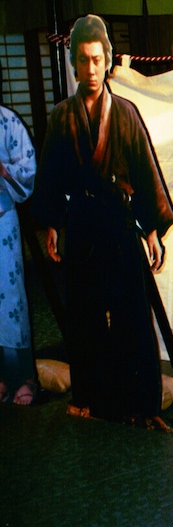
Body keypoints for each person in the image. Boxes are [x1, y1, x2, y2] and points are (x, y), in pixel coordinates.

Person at [31, 14, 173, 427]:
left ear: (108, 61)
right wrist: (53, 226)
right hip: (80, 219)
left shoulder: (126, 114)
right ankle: (90, 399)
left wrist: (151, 231)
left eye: (98, 60)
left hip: (116, 220)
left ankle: (143, 403)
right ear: (75, 64)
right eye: (84, 60)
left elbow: (147, 174)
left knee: (133, 312)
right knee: (85, 314)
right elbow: (51, 177)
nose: (92, 69)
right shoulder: (62, 117)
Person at [0, 104, 37, 405]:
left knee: (10, 297)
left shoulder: (7, 121)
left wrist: (3, 170)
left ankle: (21, 377)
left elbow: (27, 169)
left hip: (2, 220)